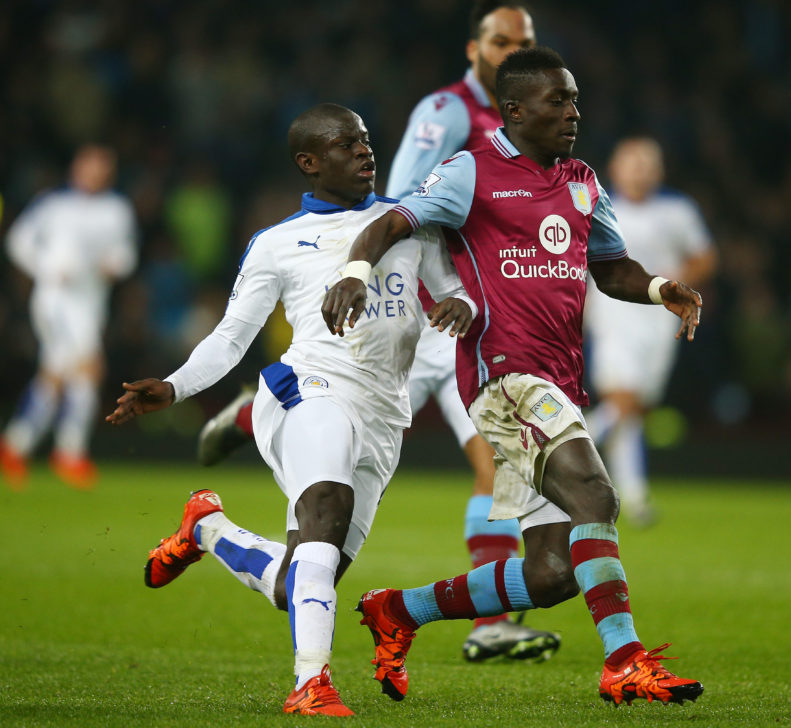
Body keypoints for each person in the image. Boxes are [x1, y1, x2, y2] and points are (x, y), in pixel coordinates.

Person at [323, 48, 705, 707]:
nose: (573, 113)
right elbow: (393, 221)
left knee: (553, 572)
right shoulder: (470, 172)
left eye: (576, 100)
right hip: (503, 379)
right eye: (559, 102)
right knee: (595, 496)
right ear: (516, 109)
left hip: (558, 380)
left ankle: (399, 610)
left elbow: (609, 269)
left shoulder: (583, 180)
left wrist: (660, 286)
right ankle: (625, 661)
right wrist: (356, 272)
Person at [195, 0, 558, 663]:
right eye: (501, 41)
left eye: (525, 41)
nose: (514, 52)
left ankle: (256, 421)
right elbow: (395, 198)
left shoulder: (517, 122)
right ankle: (488, 623)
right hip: (413, 308)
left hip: (453, 311)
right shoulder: (448, 112)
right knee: (498, 457)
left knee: (316, 567)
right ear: (473, 48)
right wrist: (387, 271)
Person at [106, 103, 475, 717]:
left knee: (303, 579)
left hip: (385, 412)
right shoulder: (276, 244)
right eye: (344, 144)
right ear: (309, 162)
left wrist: (460, 304)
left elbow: (454, 285)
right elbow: (230, 337)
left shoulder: (409, 224)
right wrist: (172, 388)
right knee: (325, 512)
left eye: (364, 140)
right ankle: (311, 684)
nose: (364, 151)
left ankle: (207, 529)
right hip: (309, 389)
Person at [583, 137, 717, 526]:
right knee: (622, 401)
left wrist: (677, 286)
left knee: (636, 410)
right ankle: (553, 454)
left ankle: (634, 498)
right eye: (632, 162)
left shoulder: (677, 211)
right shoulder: (596, 207)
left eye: (647, 163)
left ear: (659, 171)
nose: (640, 170)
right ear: (615, 168)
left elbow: (705, 257)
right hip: (613, 314)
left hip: (659, 319)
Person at [0, 144, 137, 490]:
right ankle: (70, 452)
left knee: (59, 374)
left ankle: (16, 445)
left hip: (90, 304)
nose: (95, 173)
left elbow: (126, 254)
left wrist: (115, 265)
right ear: (77, 167)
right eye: (90, 165)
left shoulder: (116, 210)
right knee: (89, 368)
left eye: (102, 167)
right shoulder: (53, 206)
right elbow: (18, 242)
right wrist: (46, 267)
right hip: (56, 300)